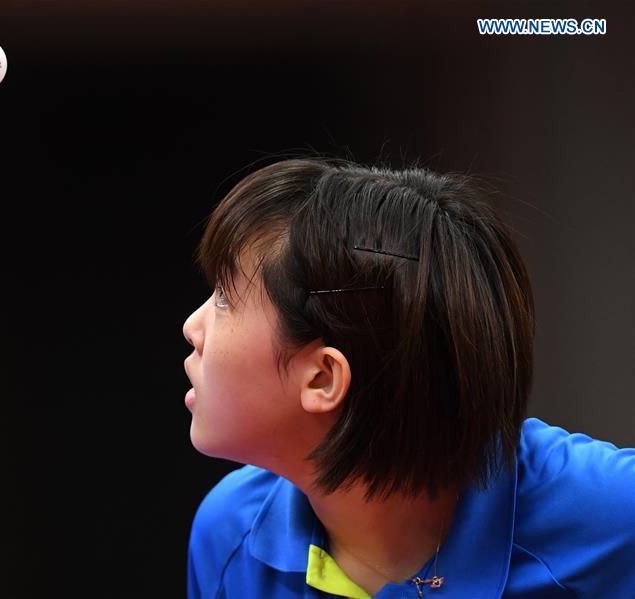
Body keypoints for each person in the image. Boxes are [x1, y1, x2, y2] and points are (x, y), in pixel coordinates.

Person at [181, 156, 635, 598]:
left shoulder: (612, 514)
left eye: (224, 298)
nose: (191, 328)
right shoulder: (229, 535)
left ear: (323, 378)